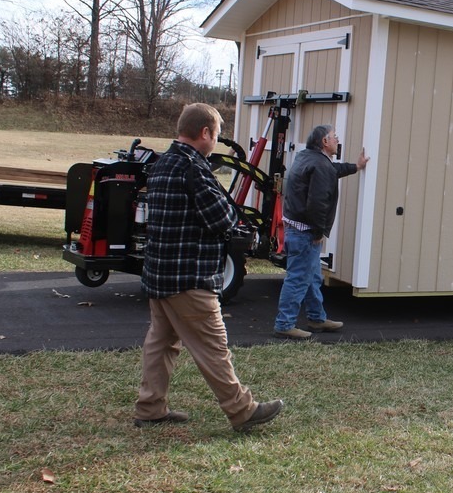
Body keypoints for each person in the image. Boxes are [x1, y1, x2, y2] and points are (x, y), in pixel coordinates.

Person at [134, 103, 283, 432]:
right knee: (214, 345)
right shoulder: (194, 168)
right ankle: (242, 410)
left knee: (161, 342)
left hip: (160, 272)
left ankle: (150, 407)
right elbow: (221, 218)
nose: (215, 140)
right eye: (215, 134)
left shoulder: (162, 164)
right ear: (204, 133)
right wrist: (236, 222)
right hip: (189, 275)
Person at [274, 124, 369, 339]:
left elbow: (332, 170)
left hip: (295, 228)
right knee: (298, 278)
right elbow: (317, 203)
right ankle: (284, 324)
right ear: (324, 142)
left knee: (312, 277)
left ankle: (316, 318)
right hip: (306, 232)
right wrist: (319, 231)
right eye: (334, 137)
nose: (337, 140)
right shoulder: (320, 165)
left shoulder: (306, 157)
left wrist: (356, 166)